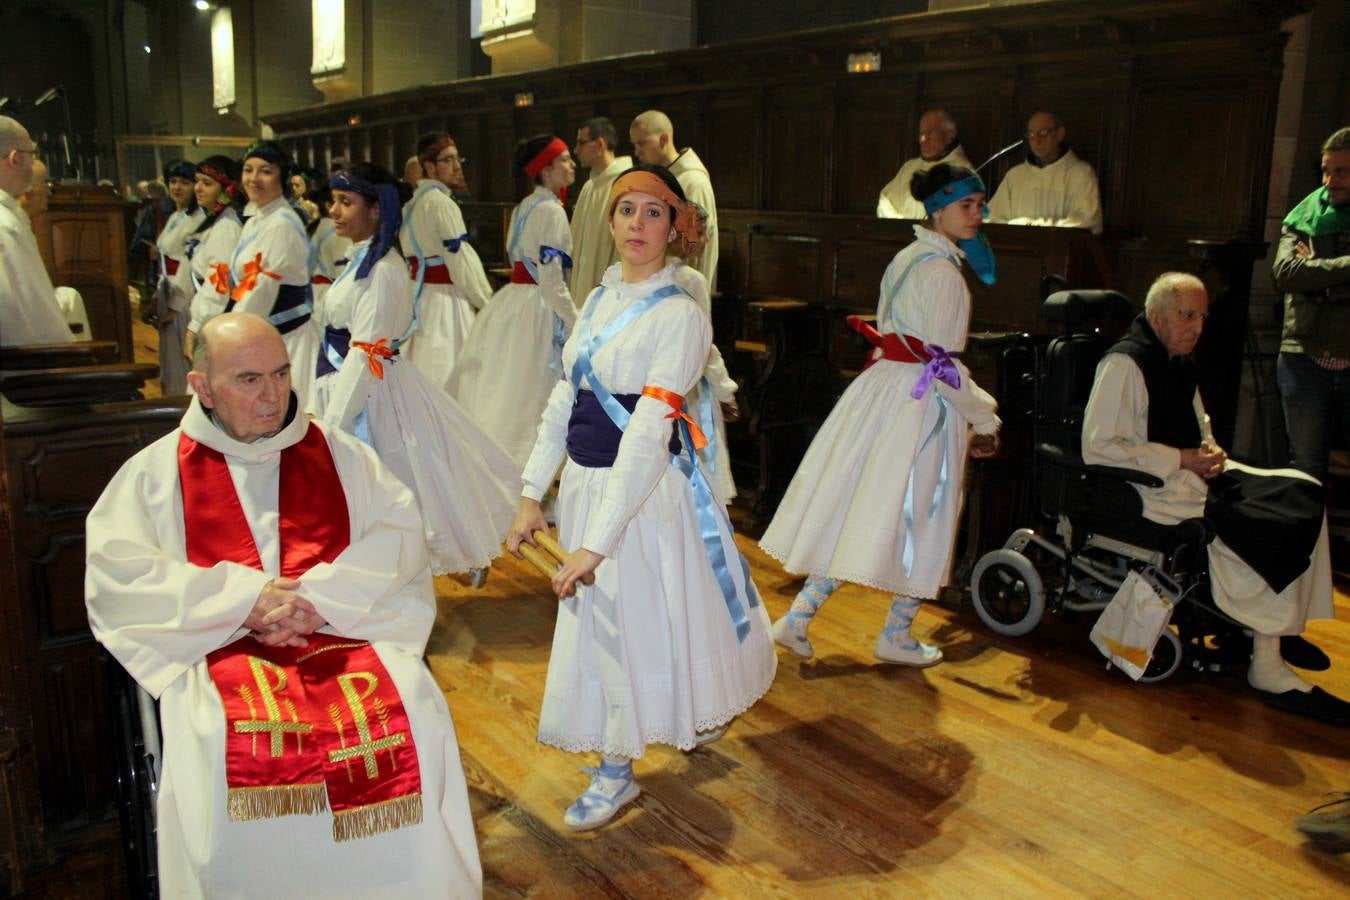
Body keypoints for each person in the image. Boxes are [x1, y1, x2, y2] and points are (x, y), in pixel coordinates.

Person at [84, 312, 482, 898]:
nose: (272, 396)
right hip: (219, 643)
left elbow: (399, 535)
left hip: (341, 630)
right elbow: (121, 575)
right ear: (202, 387)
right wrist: (243, 601)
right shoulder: (155, 474)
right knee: (214, 738)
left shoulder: (339, 454)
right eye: (248, 380)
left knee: (416, 715)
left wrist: (318, 600)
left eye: (280, 374)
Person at [506, 163, 776, 831]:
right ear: (610, 220)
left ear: (675, 228)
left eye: (654, 212)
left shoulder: (681, 317)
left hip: (645, 496)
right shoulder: (596, 301)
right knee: (635, 620)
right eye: (626, 210)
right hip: (592, 486)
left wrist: (598, 540)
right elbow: (564, 399)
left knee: (629, 621)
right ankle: (638, 737)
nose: (637, 223)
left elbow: (652, 435)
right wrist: (530, 491)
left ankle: (616, 770)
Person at [1082, 272, 1348, 723]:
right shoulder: (1124, 364)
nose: (1197, 329)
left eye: (1202, 318)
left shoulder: (1179, 362)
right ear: (1155, 315)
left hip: (1192, 470)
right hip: (1150, 484)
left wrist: (1210, 449)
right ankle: (1267, 662)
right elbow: (1098, 446)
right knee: (1258, 520)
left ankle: (1275, 628)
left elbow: (1199, 425)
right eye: (1187, 316)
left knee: (1304, 491)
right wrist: (1181, 459)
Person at [762, 163, 1001, 667]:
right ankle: (896, 634)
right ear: (938, 209)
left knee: (865, 508)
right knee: (926, 516)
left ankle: (799, 618)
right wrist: (983, 416)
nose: (977, 215)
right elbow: (941, 365)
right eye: (967, 206)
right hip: (921, 406)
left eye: (980, 206)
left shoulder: (909, 257)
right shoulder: (944, 276)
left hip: (885, 393)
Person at [311, 163, 519, 576]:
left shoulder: (384, 270)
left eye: (345, 202)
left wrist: (333, 424)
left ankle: (395, 579)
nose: (333, 210)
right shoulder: (361, 261)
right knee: (390, 489)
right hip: (352, 385)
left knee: (391, 489)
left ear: (376, 210)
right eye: (332, 201)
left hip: (366, 396)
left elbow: (362, 353)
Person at [451, 134, 578, 466]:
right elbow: (551, 279)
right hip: (538, 306)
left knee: (509, 389)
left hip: (513, 301)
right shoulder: (551, 211)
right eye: (565, 159)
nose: (572, 164)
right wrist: (575, 320)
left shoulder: (526, 205)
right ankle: (528, 473)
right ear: (546, 169)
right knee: (534, 393)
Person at [1273, 126, 1350, 485]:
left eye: (1341, 172)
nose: (1330, 181)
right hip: (1304, 355)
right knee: (1305, 470)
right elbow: (1288, 274)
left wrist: (1317, 272)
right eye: (1326, 170)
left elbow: (1307, 276)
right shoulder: (1305, 216)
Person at [225, 140, 322, 408]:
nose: (253, 178)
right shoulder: (257, 218)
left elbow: (261, 291)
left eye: (265, 171)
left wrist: (230, 337)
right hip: (263, 332)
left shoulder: (281, 224)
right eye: (248, 170)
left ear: (283, 176)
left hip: (285, 338)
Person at [399, 133, 494, 393]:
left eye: (457, 159)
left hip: (418, 299)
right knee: (449, 372)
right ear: (429, 166)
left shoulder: (411, 204)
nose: (457, 166)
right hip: (445, 301)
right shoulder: (441, 203)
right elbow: (460, 261)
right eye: (448, 160)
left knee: (421, 365)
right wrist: (485, 301)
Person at [0, 115, 74, 346]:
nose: (33, 166)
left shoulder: (11, 216)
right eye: (31, 155)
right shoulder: (5, 225)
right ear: (14, 159)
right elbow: (16, 315)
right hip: (32, 368)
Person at [630, 110, 719, 293]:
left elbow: (695, 247)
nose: (636, 151)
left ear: (663, 139)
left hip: (682, 289)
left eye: (642, 143)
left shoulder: (694, 182)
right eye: (635, 144)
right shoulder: (659, 178)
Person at [987, 111, 1103, 235]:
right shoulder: (1015, 175)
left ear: (1060, 134)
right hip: (1017, 251)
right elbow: (991, 217)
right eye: (1031, 135)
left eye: (1043, 133)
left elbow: (1088, 220)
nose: (1036, 141)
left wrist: (1038, 225)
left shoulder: (1080, 173)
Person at [17, 155, 92, 340]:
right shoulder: (9, 227)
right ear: (28, 189)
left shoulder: (20, 223)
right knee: (70, 297)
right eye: (46, 185)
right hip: (21, 334)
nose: (50, 193)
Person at [184, 155, 245, 358]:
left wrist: (196, 325)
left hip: (217, 317)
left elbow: (219, 280)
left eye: (207, 183)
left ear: (225, 189)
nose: (198, 188)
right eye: (197, 181)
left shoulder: (227, 225)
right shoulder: (215, 221)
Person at [153, 159, 204, 395]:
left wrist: (175, 306)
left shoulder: (199, 219)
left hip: (184, 295)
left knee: (183, 356)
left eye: (185, 182)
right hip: (167, 287)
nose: (177, 187)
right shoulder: (176, 216)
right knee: (169, 357)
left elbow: (190, 265)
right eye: (173, 181)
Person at [568, 117, 633, 301]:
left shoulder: (626, 184)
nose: (576, 150)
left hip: (610, 296)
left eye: (581, 143)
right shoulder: (589, 187)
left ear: (599, 144)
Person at [877, 109, 973, 220]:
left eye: (929, 133)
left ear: (948, 136)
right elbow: (886, 200)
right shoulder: (909, 167)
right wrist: (900, 228)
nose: (923, 139)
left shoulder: (963, 172)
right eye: (921, 134)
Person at [307, 180, 351, 319]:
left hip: (312, 295)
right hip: (328, 295)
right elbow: (343, 275)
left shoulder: (314, 228)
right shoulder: (338, 233)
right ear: (328, 206)